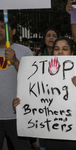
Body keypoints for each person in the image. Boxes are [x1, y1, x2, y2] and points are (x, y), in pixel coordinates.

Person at [13, 37, 76, 150]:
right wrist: (20, 104)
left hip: (75, 126)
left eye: (65, 49)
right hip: (51, 128)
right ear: (53, 53)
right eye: (57, 49)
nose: (60, 52)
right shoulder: (42, 71)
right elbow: (34, 94)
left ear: (72, 53)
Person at [0, 12, 32, 150]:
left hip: (17, 114)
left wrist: (15, 61)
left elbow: (32, 79)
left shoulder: (24, 51)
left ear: (13, 31)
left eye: (3, 26)